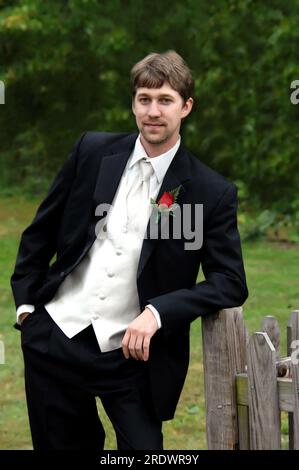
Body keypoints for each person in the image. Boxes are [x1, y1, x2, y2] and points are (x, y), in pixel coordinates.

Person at [11, 50, 248, 450]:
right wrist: (26, 308)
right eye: (144, 99)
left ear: (186, 107)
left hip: (133, 359)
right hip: (55, 339)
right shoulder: (91, 151)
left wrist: (158, 313)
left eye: (165, 100)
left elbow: (230, 282)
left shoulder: (209, 191)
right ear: (134, 103)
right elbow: (41, 231)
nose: (153, 111)